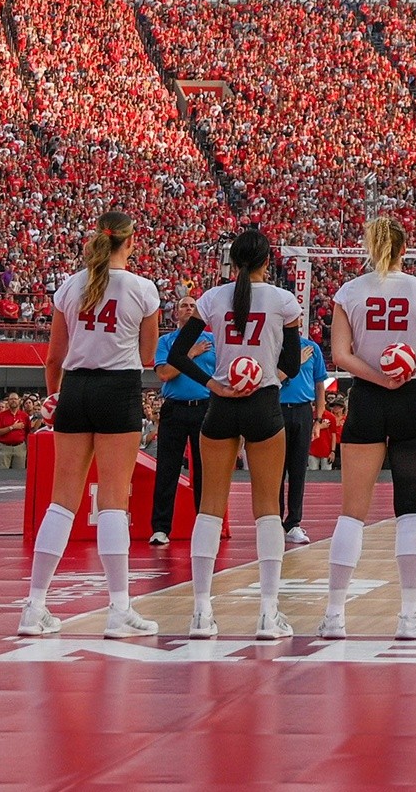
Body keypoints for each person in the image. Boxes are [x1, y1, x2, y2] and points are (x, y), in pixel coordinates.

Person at [21, 211, 162, 638]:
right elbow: (148, 356)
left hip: (75, 390)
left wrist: (54, 395)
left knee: (61, 501)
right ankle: (119, 609)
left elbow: (53, 356)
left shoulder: (69, 285)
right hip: (117, 388)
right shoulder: (141, 288)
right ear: (130, 241)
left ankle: (34, 604)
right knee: (114, 500)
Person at [168, 227, 304, 640]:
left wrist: (216, 385)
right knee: (267, 509)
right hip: (263, 403)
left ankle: (201, 612)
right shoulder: (284, 301)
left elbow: (177, 354)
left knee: (209, 507)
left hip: (222, 406)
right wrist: (267, 379)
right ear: (267, 261)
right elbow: (294, 362)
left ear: (232, 261)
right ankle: (267, 612)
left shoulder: (211, 297)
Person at [320, 217, 416, 640]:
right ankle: (409, 615)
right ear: (404, 248)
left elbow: (340, 354)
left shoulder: (349, 292)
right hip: (409, 396)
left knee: (352, 512)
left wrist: (377, 376)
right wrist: (401, 366)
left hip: (368, 399)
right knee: (409, 510)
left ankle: (334, 615)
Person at [151, 298, 214, 543]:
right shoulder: (166, 342)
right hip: (175, 408)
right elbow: (165, 373)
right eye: (184, 306)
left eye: (192, 306)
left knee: (205, 470)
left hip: (205, 408)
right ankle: (160, 528)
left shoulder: (212, 341)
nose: (189, 309)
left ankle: (205, 526)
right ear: (176, 313)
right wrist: (190, 354)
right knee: (167, 468)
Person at [277, 326, 327, 545]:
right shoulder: (273, 346)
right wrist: (294, 362)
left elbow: (319, 385)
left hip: (303, 409)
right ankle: (274, 521)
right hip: (276, 408)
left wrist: (318, 418)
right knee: (275, 470)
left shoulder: (312, 348)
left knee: (298, 469)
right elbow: (271, 377)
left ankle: (294, 522)